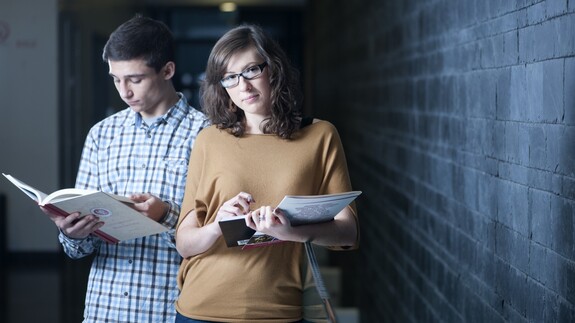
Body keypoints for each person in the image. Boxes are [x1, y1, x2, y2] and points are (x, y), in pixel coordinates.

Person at [175, 24, 359, 323]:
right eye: (230, 78)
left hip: (278, 310)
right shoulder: (209, 139)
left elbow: (348, 231)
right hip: (200, 308)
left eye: (251, 71)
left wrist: (292, 233)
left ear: (274, 69)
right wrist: (217, 225)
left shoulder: (319, 135)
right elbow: (185, 243)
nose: (243, 86)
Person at [43, 15, 208, 322]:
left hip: (171, 308)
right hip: (104, 309)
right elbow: (77, 250)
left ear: (167, 70)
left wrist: (167, 215)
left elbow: (219, 233)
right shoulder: (101, 135)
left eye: (135, 79)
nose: (124, 91)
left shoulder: (207, 136)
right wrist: (72, 234)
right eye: (116, 79)